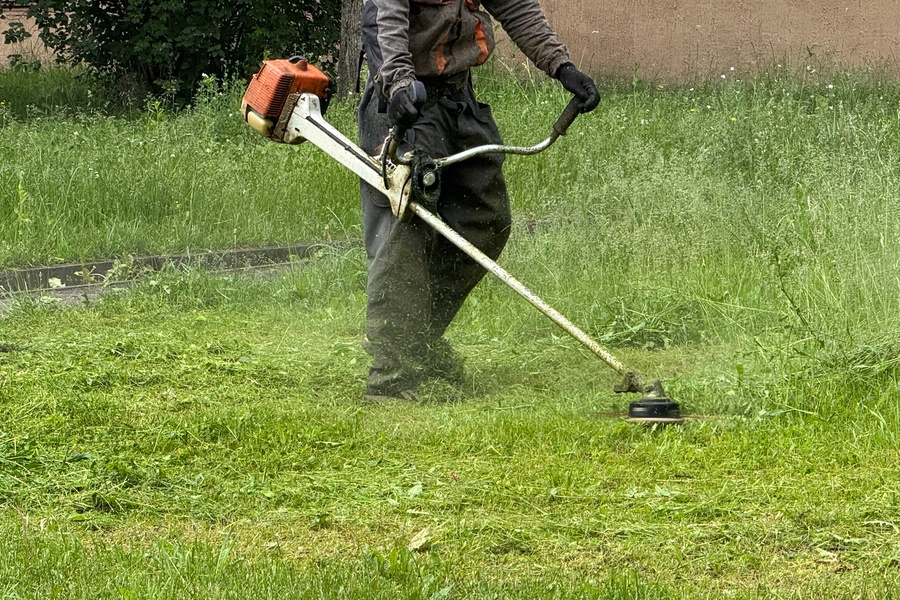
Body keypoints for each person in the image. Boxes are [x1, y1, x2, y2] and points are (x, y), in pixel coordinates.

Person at [358, 0, 600, 401]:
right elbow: (386, 18)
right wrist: (399, 83)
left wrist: (562, 67)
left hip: (458, 97)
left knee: (485, 220)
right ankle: (391, 377)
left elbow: (517, 7)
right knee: (409, 230)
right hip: (404, 99)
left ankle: (417, 340)